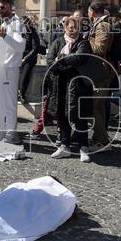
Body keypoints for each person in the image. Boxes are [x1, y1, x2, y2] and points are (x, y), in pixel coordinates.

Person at [46, 14, 99, 162]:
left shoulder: (84, 43)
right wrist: (66, 63)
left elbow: (81, 57)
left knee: (79, 115)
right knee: (62, 115)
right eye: (71, 28)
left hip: (79, 86)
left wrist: (61, 59)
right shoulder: (57, 42)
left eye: (76, 28)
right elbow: (50, 62)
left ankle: (83, 147)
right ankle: (64, 146)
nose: (73, 31)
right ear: (65, 27)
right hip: (60, 85)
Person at [0, 0, 26, 146]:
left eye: (3, 7)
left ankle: (12, 133)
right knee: (2, 100)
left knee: (10, 101)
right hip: (2, 67)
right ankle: (6, 129)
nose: (0, 10)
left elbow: (20, 47)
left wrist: (5, 36)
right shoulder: (4, 24)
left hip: (11, 68)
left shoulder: (17, 24)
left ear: (10, 8)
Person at [85, 1, 115, 152]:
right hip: (100, 72)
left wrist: (85, 42)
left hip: (101, 72)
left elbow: (100, 49)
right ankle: (99, 139)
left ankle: (102, 140)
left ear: (92, 11)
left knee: (95, 107)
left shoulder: (102, 25)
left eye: (88, 11)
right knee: (99, 107)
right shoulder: (101, 24)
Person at [18, 16, 42, 104]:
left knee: (26, 72)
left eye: (26, 23)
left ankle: (22, 94)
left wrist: (25, 59)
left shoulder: (33, 32)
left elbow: (35, 48)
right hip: (18, 56)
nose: (24, 24)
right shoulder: (17, 31)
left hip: (30, 57)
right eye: (23, 23)